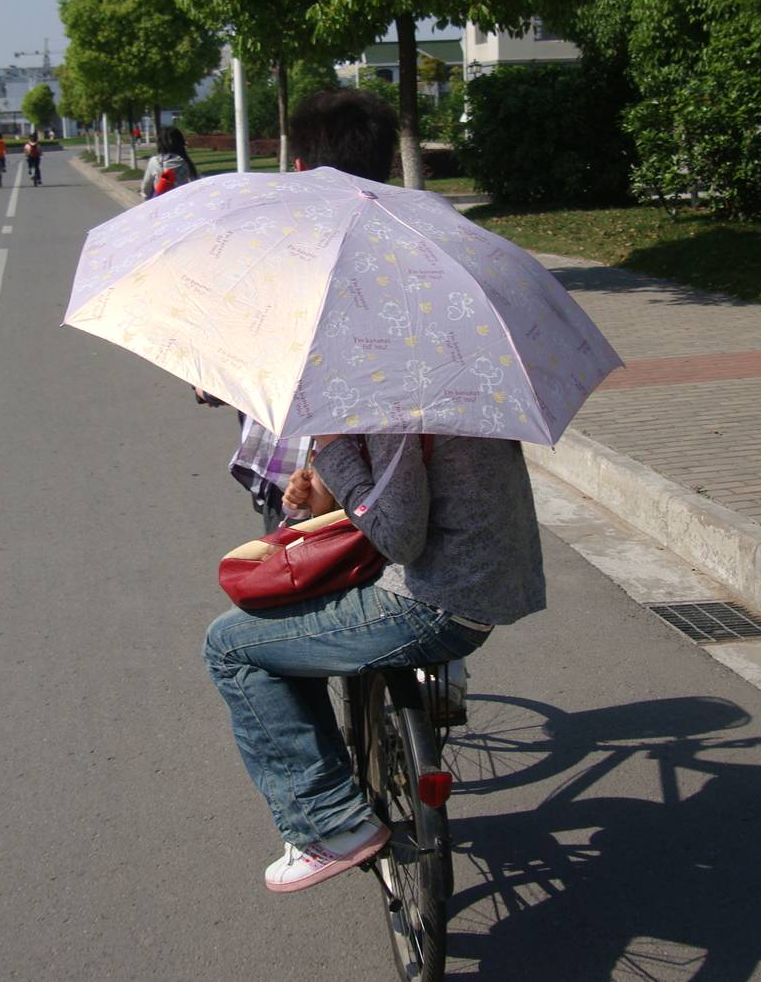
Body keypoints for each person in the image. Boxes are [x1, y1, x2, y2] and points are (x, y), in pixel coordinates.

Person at [202, 88, 547, 893]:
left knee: (230, 648)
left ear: (297, 161)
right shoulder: (440, 305)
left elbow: (395, 528)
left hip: (432, 599)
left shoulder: (385, 357)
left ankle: (331, 822)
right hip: (491, 579)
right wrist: (338, 469)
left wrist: (330, 448)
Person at [139, 127, 198, 199]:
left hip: (162, 202)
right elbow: (195, 182)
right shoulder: (185, 161)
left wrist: (145, 196)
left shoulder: (154, 161)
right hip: (182, 200)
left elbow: (146, 186)